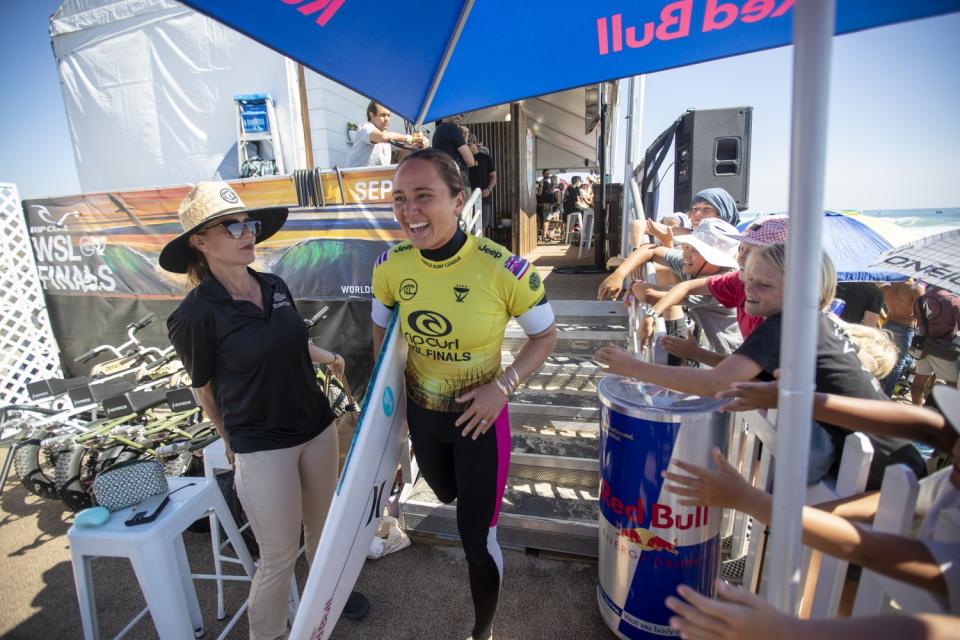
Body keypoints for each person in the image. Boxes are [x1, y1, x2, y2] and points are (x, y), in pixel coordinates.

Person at [162, 182, 368, 639]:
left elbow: (290, 341)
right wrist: (231, 441)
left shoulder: (273, 285)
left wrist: (327, 355)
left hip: (315, 428)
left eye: (248, 224)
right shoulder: (194, 314)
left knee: (321, 532)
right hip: (262, 445)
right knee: (277, 557)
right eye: (230, 226)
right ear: (199, 241)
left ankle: (325, 597)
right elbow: (205, 389)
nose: (245, 232)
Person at [371, 149, 557, 640]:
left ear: (459, 201)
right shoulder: (391, 266)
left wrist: (504, 386)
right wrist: (391, 411)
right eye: (399, 199)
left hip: (480, 423)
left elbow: (546, 336)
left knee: (476, 537)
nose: (409, 211)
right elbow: (380, 333)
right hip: (423, 419)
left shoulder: (504, 269)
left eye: (424, 196)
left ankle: (483, 632)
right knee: (447, 493)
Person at [596, 243, 925, 488]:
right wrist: (698, 354)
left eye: (764, 285)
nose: (749, 290)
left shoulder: (785, 323)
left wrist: (632, 367)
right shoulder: (815, 323)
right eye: (747, 279)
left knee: (844, 568)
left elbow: (717, 384)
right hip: (894, 459)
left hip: (881, 470)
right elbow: (743, 372)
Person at [666, 382, 960, 619]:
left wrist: (749, 500)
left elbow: (871, 551)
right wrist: (809, 516)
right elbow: (927, 430)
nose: (952, 447)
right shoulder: (949, 481)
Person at [597, 187, 742, 301]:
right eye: (695, 209)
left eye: (706, 209)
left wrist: (630, 268)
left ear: (723, 212)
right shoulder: (684, 232)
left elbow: (652, 292)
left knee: (660, 270)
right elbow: (638, 224)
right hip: (678, 289)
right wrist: (636, 255)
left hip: (686, 293)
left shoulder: (732, 246)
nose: (698, 214)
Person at [632, 218, 743, 357]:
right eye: (686, 246)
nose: (685, 253)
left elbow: (650, 293)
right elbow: (681, 287)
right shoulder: (695, 268)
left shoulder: (723, 281)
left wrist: (633, 284)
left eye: (693, 248)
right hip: (693, 337)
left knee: (673, 356)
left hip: (729, 355)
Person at [912, 287, 960, 404]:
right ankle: (950, 415)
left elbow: (918, 322)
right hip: (944, 348)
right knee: (953, 386)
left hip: (924, 344)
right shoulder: (954, 300)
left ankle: (917, 412)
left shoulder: (921, 298)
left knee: (919, 380)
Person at [344, 101, 425, 168]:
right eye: (383, 115)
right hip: (353, 183)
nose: (387, 119)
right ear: (371, 116)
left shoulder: (387, 136)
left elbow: (400, 155)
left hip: (373, 183)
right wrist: (410, 138)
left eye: (388, 115)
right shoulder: (365, 127)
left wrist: (418, 143)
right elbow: (383, 137)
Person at [879, 278, 925, 396]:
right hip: (906, 328)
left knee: (882, 358)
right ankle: (887, 394)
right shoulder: (916, 288)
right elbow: (921, 314)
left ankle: (876, 388)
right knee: (899, 363)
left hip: (889, 323)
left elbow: (876, 303)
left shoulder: (888, 286)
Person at [467, 133, 497, 233]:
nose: (467, 148)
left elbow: (493, 176)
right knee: (467, 227)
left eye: (469, 145)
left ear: (475, 144)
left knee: (481, 228)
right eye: (465, 146)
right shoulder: (463, 159)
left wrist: (489, 189)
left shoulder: (485, 158)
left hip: (483, 197)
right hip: (467, 197)